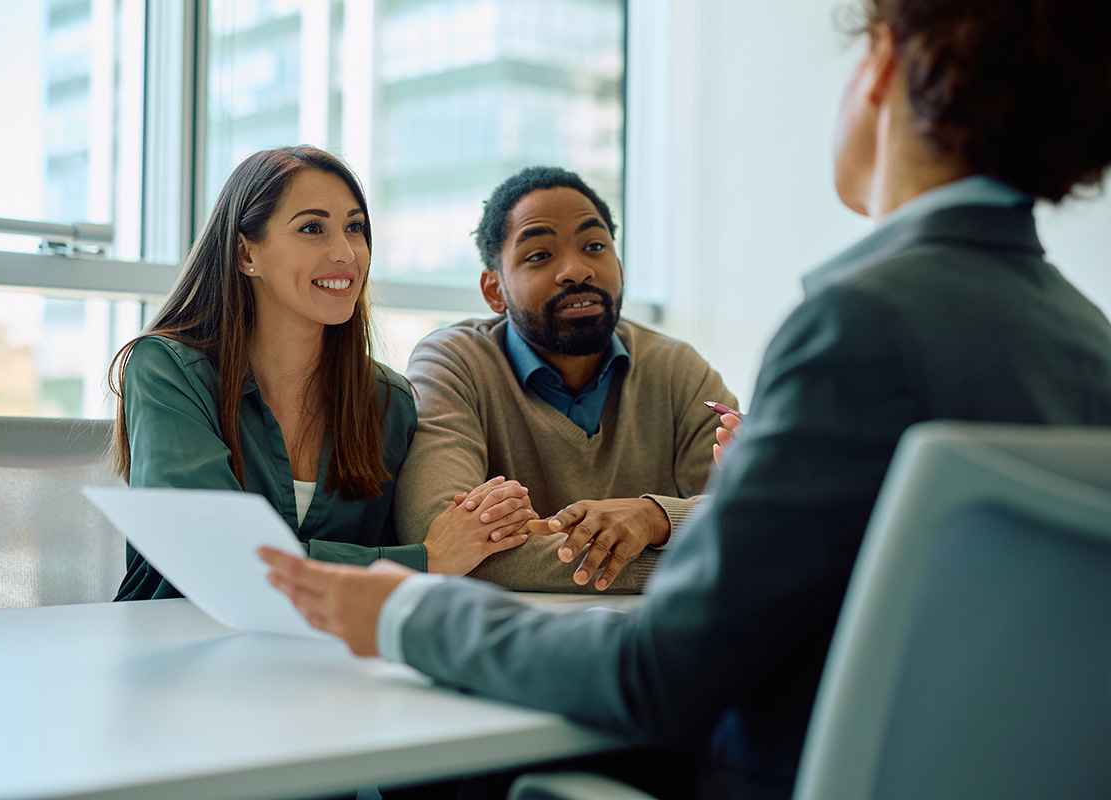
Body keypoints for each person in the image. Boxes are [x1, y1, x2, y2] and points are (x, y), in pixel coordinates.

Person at [260, 1, 1111, 797]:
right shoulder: (1090, 346)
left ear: (882, 68)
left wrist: (415, 613)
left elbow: (658, 676)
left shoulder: (855, 331)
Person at [110, 145, 528, 601]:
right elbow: (218, 559)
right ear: (245, 253)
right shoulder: (168, 371)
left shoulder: (388, 401)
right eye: (312, 228)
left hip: (326, 661)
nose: (346, 252)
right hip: (177, 648)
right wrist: (425, 561)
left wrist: (493, 520)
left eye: (355, 228)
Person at [395, 166, 738, 593]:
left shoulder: (676, 369)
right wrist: (690, 559)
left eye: (595, 246)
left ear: (620, 267)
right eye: (539, 255)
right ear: (494, 290)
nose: (576, 271)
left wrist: (655, 518)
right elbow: (441, 544)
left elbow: (759, 519)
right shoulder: (453, 363)